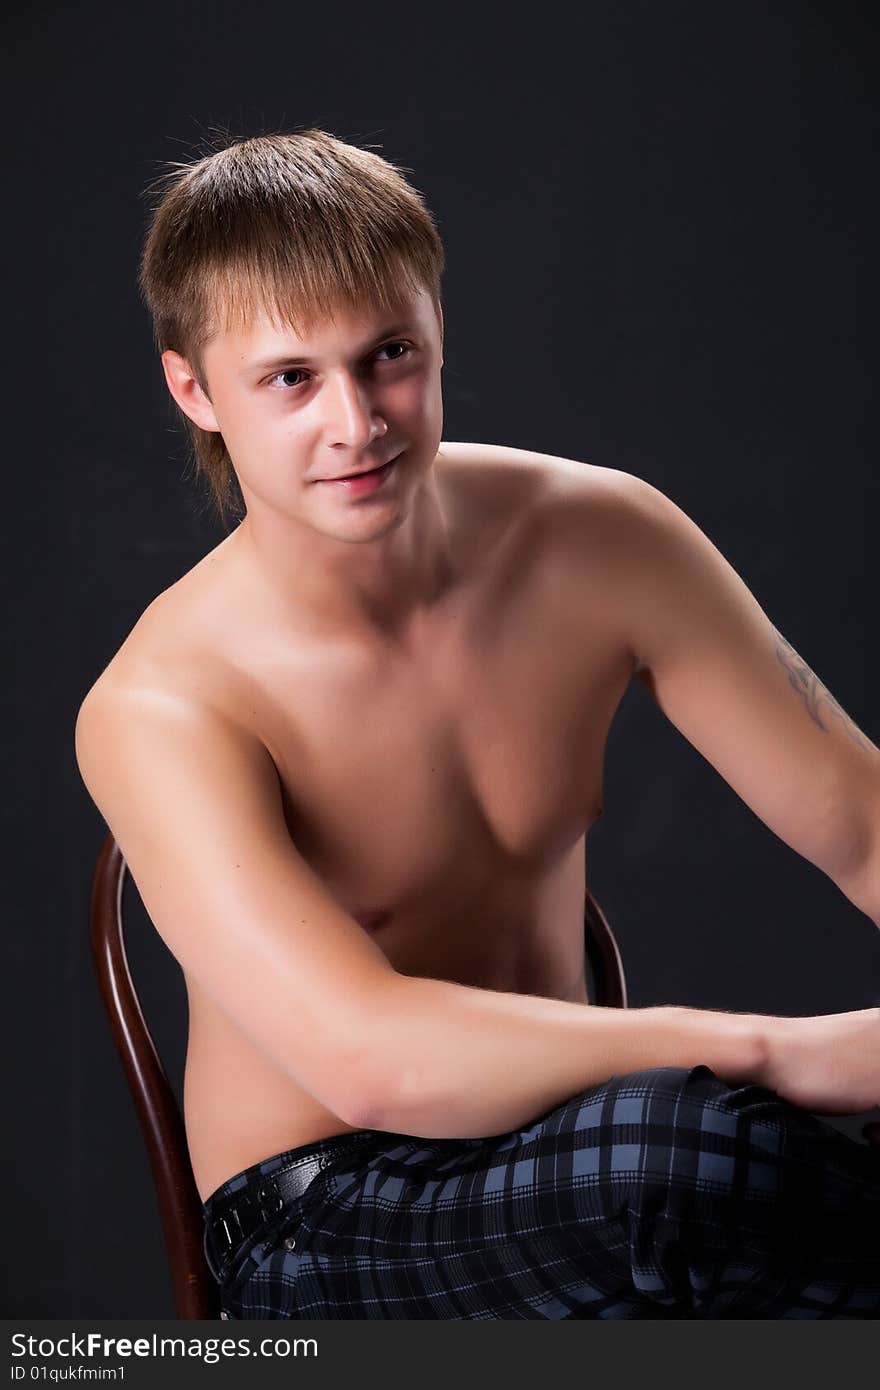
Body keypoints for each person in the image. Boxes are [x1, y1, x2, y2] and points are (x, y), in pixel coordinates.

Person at [74, 128, 880, 1319]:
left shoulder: (602, 537)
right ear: (194, 388)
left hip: (587, 1137)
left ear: (436, 327)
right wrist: (782, 1051)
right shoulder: (163, 704)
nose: (356, 422)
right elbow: (370, 1054)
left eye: (388, 354)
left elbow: (860, 823)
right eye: (290, 378)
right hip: (328, 1206)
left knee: (682, 1147)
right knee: (686, 1153)